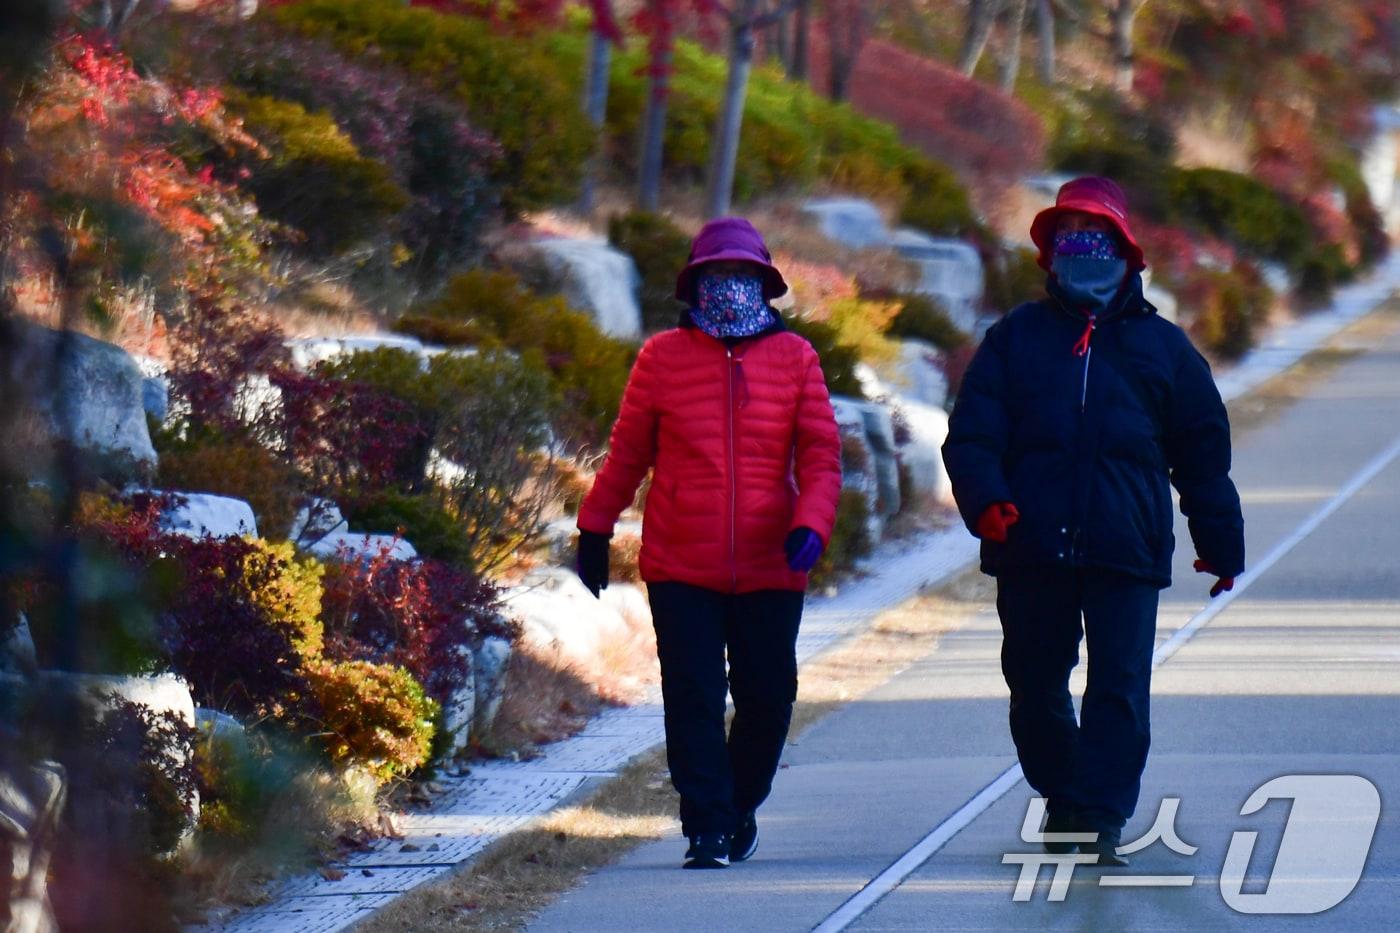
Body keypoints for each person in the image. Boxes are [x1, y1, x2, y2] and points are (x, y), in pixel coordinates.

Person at [941, 176, 1245, 865]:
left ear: (1126, 250)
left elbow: (1201, 455)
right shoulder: (1015, 338)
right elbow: (972, 436)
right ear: (1051, 254)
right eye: (1070, 236)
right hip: (1029, 543)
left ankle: (1099, 816)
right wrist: (987, 499)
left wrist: (1220, 543)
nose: (1084, 249)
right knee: (1034, 679)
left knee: (1119, 686)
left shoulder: (1164, 349)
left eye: (1098, 236)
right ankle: (1067, 791)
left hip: (1126, 545)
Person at [575, 217, 842, 869]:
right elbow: (629, 453)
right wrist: (594, 525)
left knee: (767, 695)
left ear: (763, 283)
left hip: (771, 561)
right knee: (692, 693)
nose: (729, 288)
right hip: (679, 562)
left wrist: (811, 522)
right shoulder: (661, 357)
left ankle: (738, 801)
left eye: (741, 275)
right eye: (715, 275)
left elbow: (821, 453)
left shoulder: (795, 357)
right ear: (695, 283)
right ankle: (707, 825)